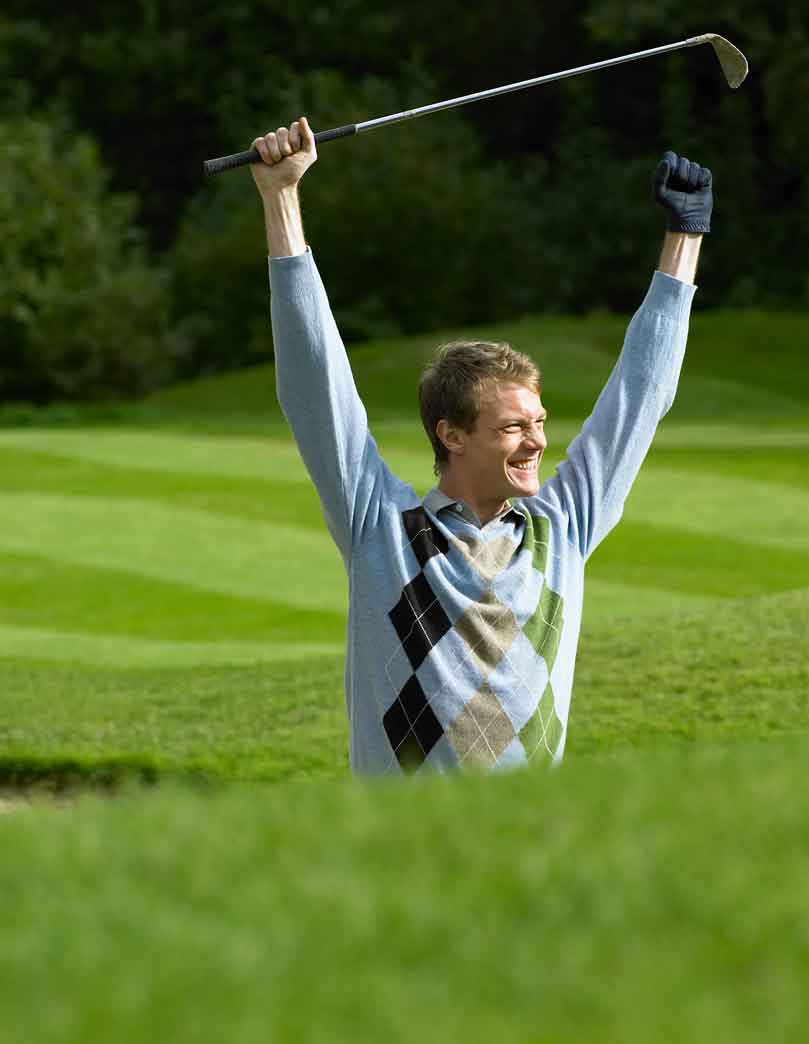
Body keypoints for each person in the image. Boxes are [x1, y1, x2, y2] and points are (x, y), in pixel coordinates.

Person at [253, 116, 710, 775]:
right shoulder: (380, 529)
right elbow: (313, 385)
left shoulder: (565, 527)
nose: (537, 441)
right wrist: (281, 197)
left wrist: (684, 240)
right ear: (452, 434)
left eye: (539, 422)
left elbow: (638, 397)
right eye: (513, 427)